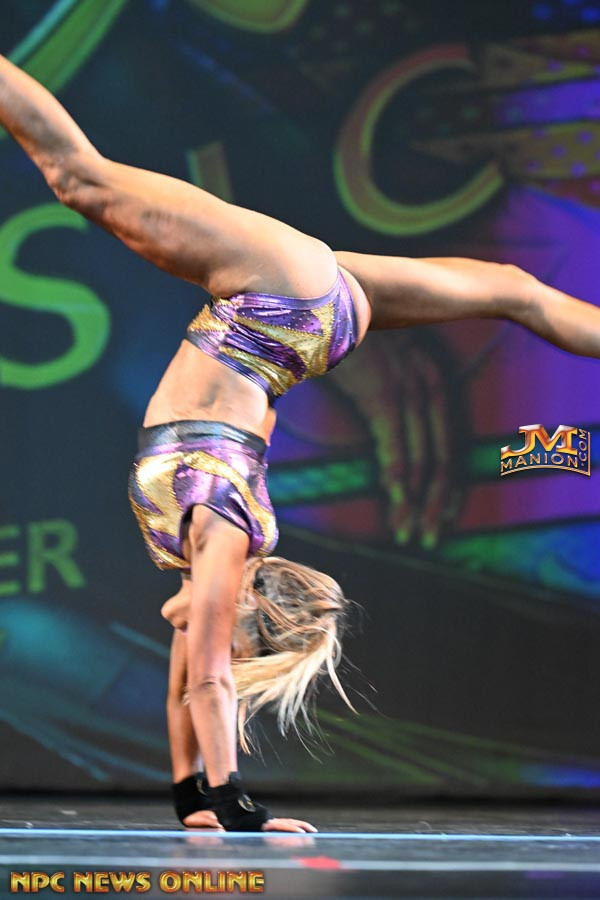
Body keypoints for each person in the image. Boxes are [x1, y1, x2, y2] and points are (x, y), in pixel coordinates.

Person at [2, 53, 599, 832]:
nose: (206, 636)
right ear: (252, 603)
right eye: (239, 638)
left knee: (514, 291)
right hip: (278, 296)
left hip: (310, 314)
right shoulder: (226, 538)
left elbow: (184, 685)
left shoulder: (197, 549)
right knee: (77, 176)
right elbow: (209, 682)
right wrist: (237, 805)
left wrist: (192, 800)